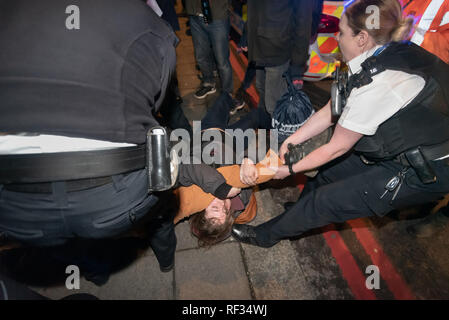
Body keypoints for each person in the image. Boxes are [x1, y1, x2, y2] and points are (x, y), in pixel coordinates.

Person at [231, 0, 449, 248]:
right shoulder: (381, 52)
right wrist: (294, 139)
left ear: (362, 38)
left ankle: (266, 236)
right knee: (325, 173)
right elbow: (332, 108)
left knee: (325, 202)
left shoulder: (378, 85)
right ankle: (300, 212)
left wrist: (288, 170)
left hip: (427, 167)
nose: (336, 37)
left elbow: (337, 147)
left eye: (342, 32)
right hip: (404, 141)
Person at [0, 0, 178, 275]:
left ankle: (96, 271)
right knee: (163, 204)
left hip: (16, 204)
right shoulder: (148, 23)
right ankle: (166, 260)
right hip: (114, 195)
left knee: (66, 243)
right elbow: (156, 100)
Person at [246, 0, 315, 116]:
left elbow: (303, 22)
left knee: (274, 105)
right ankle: (266, 126)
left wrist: (297, 64)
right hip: (259, 45)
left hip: (278, 49)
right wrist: (246, 36)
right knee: (261, 90)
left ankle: (281, 132)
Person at [185, 0, 245, 111]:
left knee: (222, 61)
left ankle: (228, 96)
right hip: (195, 15)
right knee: (201, 56)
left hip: (218, 16)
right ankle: (208, 82)